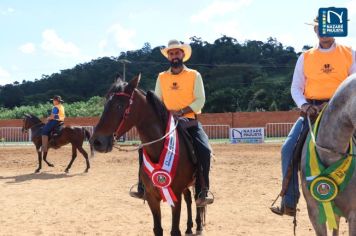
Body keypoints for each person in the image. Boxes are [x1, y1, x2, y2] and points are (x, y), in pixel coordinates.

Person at [270, 16, 356, 216]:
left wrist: (334, 103)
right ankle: (289, 201)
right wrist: (305, 105)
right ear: (315, 30)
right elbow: (296, 88)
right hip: (312, 113)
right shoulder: (305, 57)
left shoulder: (350, 54)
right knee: (287, 149)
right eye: (319, 28)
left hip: (343, 113)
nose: (323, 32)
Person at [130, 39, 214, 206]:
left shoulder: (194, 75)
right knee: (143, 149)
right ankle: (143, 187)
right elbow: (157, 101)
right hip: (167, 124)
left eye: (177, 52)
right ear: (168, 57)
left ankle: (202, 190)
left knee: (204, 150)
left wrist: (181, 112)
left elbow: (200, 100)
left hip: (189, 122)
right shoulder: (162, 77)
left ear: (183, 54)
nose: (174, 55)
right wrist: (165, 115)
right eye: (171, 53)